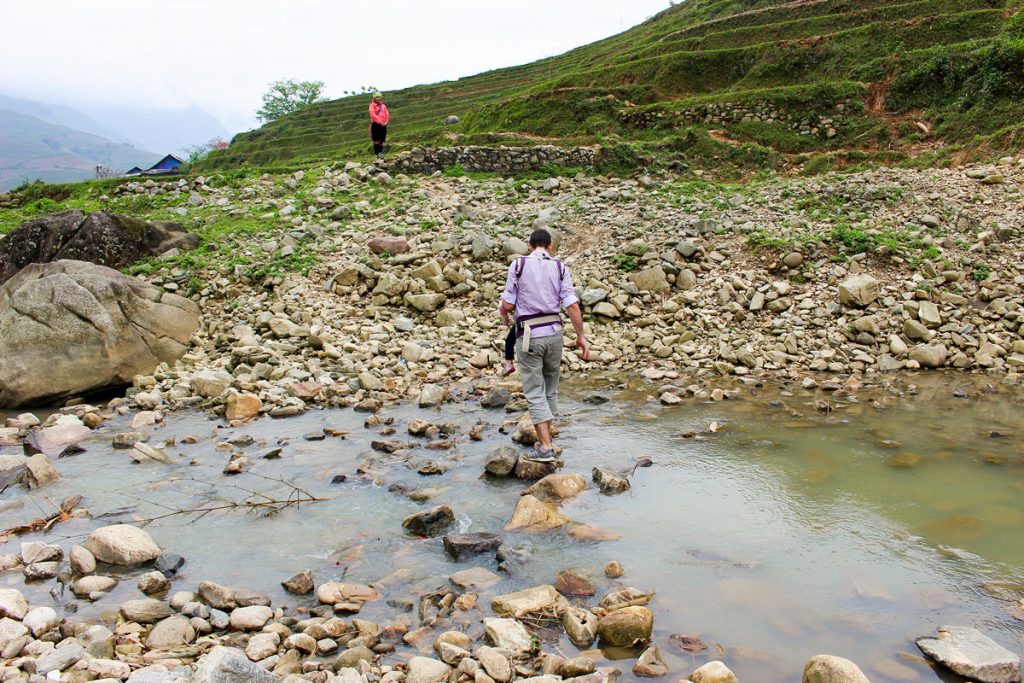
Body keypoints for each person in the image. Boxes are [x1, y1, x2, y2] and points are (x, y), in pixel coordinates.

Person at [499, 229, 589, 462]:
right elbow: (572, 306)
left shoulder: (518, 265)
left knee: (534, 392)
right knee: (550, 389)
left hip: (529, 334)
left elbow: (508, 305)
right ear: (550, 247)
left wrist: (505, 310)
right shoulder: (560, 268)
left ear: (529, 246)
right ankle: (547, 440)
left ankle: (546, 448)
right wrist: (581, 336)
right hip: (555, 334)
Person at [368, 92, 390, 160]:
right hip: (376, 124)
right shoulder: (372, 105)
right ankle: (378, 153)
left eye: (379, 97)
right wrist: (380, 121)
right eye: (377, 97)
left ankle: (381, 152)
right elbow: (373, 115)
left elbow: (387, 114)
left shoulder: (383, 106)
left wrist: (386, 121)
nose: (378, 98)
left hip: (383, 125)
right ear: (374, 98)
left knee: (381, 140)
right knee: (376, 140)